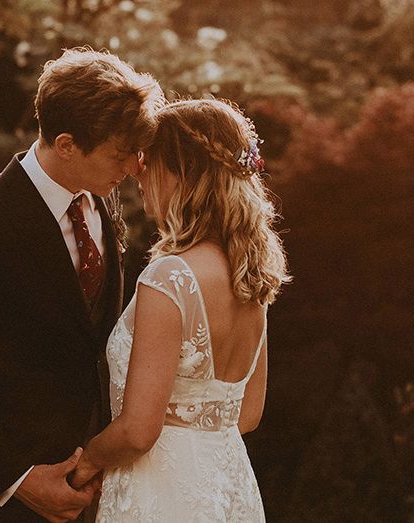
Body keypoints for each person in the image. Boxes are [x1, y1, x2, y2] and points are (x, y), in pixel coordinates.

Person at [0, 48, 163, 522]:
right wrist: (17, 479)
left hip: (90, 493)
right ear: (66, 145)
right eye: (118, 154)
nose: (131, 168)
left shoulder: (103, 206)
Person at [69, 98, 290, 522]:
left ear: (182, 173)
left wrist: (88, 460)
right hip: (229, 489)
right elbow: (247, 413)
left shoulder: (171, 278)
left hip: (162, 494)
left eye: (148, 160)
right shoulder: (251, 273)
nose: (137, 171)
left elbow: (137, 430)